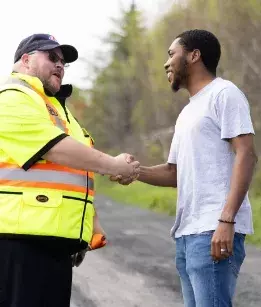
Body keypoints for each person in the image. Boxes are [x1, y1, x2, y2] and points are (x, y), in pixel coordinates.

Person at [113, 29, 257, 306]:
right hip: (187, 233)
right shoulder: (188, 111)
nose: (166, 63)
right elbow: (174, 172)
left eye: (171, 54)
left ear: (194, 55)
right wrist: (134, 171)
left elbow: (246, 155)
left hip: (213, 228)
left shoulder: (225, 94)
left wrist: (226, 220)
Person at [0, 33, 140, 307]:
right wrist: (114, 165)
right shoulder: (12, 98)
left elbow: (73, 170)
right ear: (25, 60)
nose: (60, 65)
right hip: (20, 244)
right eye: (51, 57)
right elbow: (56, 148)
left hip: (51, 243)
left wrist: (81, 230)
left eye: (63, 61)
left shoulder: (54, 107)